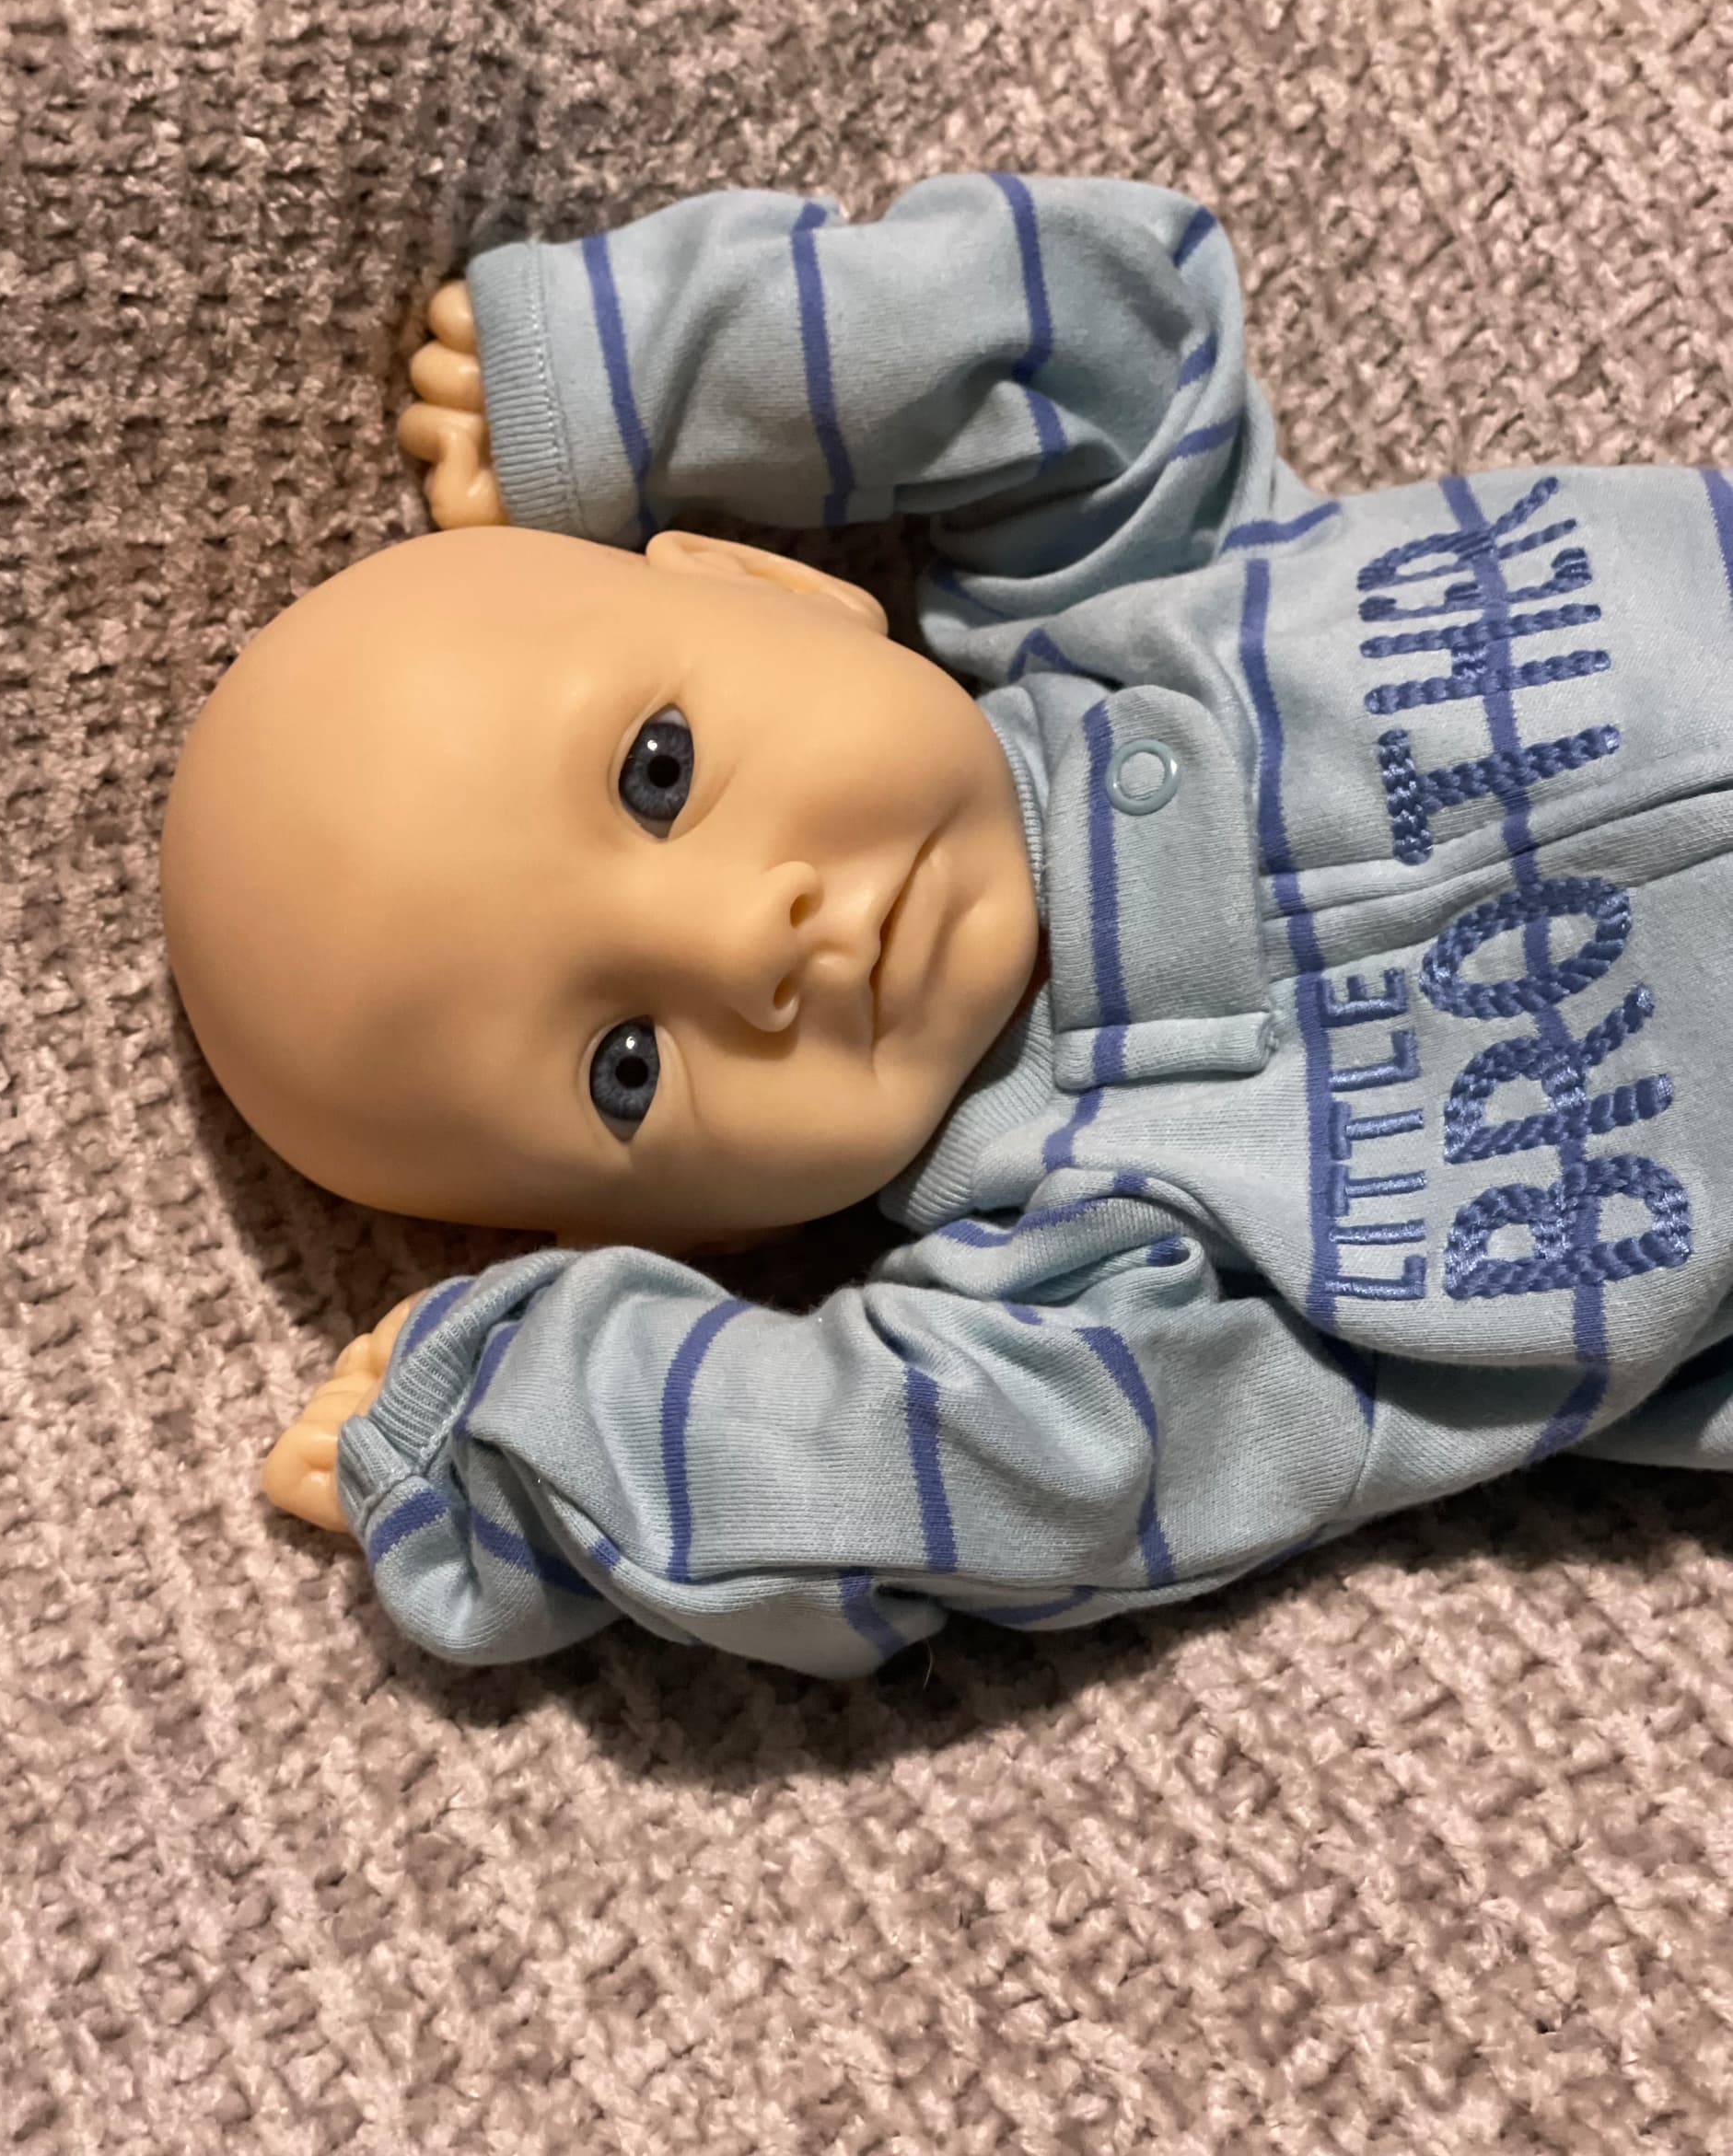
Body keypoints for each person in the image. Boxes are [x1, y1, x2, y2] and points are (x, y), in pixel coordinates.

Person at [159, 173, 1733, 1676]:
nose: (745, 947)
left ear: (772, 586)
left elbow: (1094, 321)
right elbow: (959, 1477)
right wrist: (545, 1417)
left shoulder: (1126, 589)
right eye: (625, 1066)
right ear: (697, 1236)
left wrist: (646, 371)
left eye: (660, 775)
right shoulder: (1095, 1265)